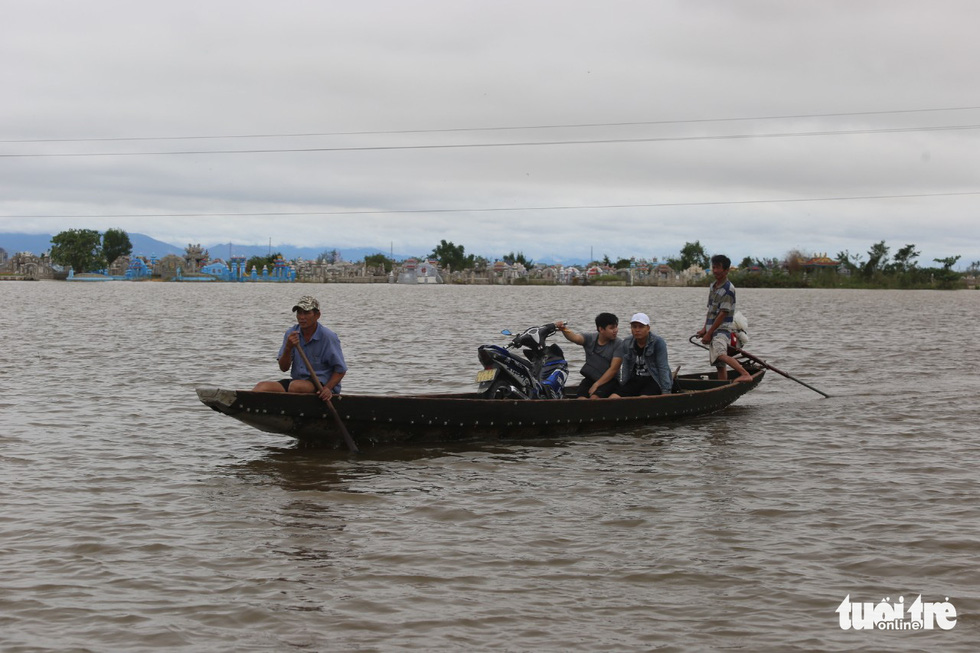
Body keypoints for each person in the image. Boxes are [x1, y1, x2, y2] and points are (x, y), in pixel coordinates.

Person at [252, 295, 347, 402]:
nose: (302, 317)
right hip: (297, 382)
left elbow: (340, 370)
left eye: (306, 313)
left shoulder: (328, 337)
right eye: (299, 313)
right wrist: (288, 348)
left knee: (296, 386)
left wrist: (328, 388)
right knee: (261, 387)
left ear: (317, 315)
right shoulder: (291, 334)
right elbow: (284, 368)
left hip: (320, 386)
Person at [696, 254, 753, 382]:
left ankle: (745, 374)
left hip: (722, 330)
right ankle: (723, 385)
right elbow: (710, 311)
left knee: (720, 355)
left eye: (718, 268)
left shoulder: (728, 289)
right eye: (714, 267)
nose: (715, 271)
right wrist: (704, 329)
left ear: (726, 270)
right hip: (712, 329)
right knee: (719, 365)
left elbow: (723, 314)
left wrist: (709, 333)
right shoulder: (713, 286)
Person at [590, 312, 672, 397]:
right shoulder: (627, 343)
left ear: (648, 328)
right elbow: (626, 366)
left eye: (641, 327)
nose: (637, 330)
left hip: (653, 380)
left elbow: (663, 367)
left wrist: (666, 391)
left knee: (643, 399)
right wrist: (624, 385)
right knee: (613, 397)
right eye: (634, 327)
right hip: (635, 380)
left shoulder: (658, 342)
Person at [554, 313, 621, 398]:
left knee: (594, 398)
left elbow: (613, 370)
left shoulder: (618, 344)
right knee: (581, 399)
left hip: (610, 380)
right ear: (601, 329)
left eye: (616, 327)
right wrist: (564, 329)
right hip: (591, 378)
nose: (615, 330)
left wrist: (597, 384)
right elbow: (575, 338)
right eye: (612, 328)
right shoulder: (590, 338)